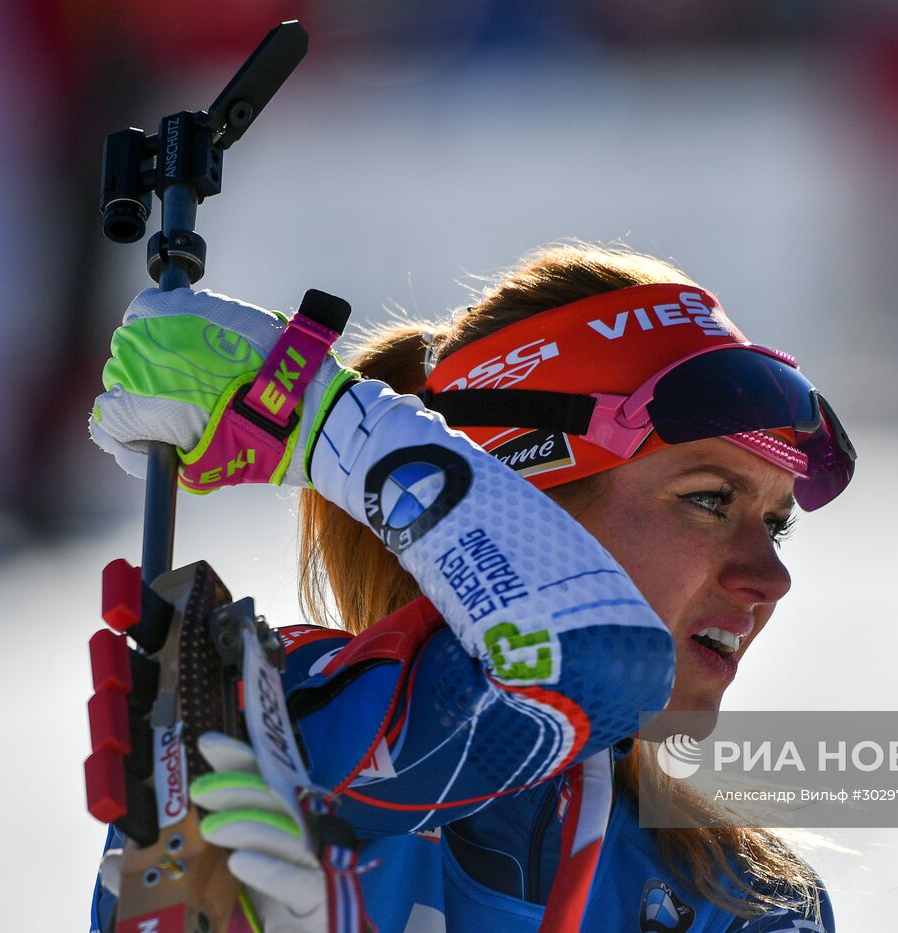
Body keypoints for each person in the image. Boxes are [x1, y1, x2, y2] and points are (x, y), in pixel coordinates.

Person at [88, 244, 855, 932]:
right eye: (710, 499)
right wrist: (320, 417)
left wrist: (321, 416)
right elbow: (592, 662)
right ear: (532, 502)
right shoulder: (271, 729)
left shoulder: (751, 900)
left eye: (775, 524)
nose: (770, 576)